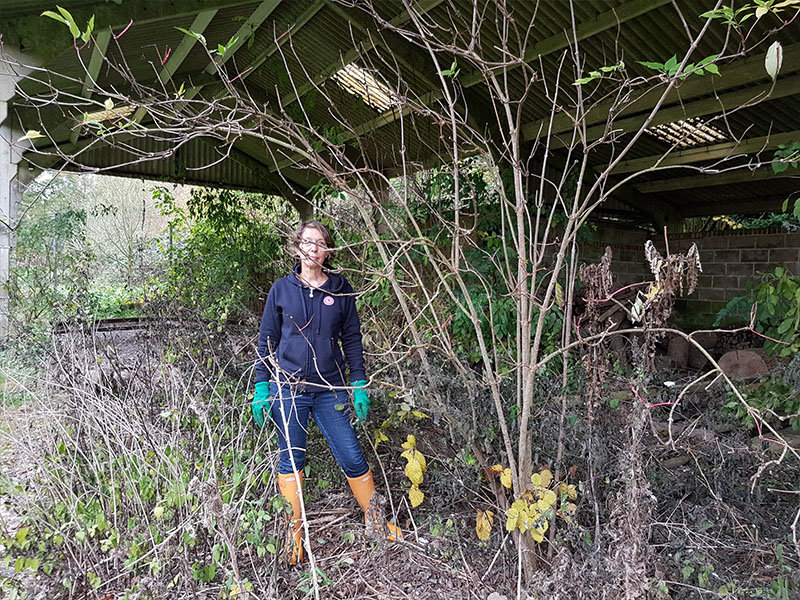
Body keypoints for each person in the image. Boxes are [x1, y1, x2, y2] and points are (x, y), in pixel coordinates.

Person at [251, 220, 401, 565]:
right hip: (288, 388)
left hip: (330, 387)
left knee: (351, 454)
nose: (312, 248)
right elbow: (266, 342)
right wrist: (262, 386)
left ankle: (376, 522)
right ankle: (294, 536)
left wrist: (359, 383)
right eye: (306, 242)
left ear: (328, 250)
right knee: (292, 461)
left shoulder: (341, 289)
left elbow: (351, 340)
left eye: (319, 243)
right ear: (296, 247)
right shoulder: (282, 290)